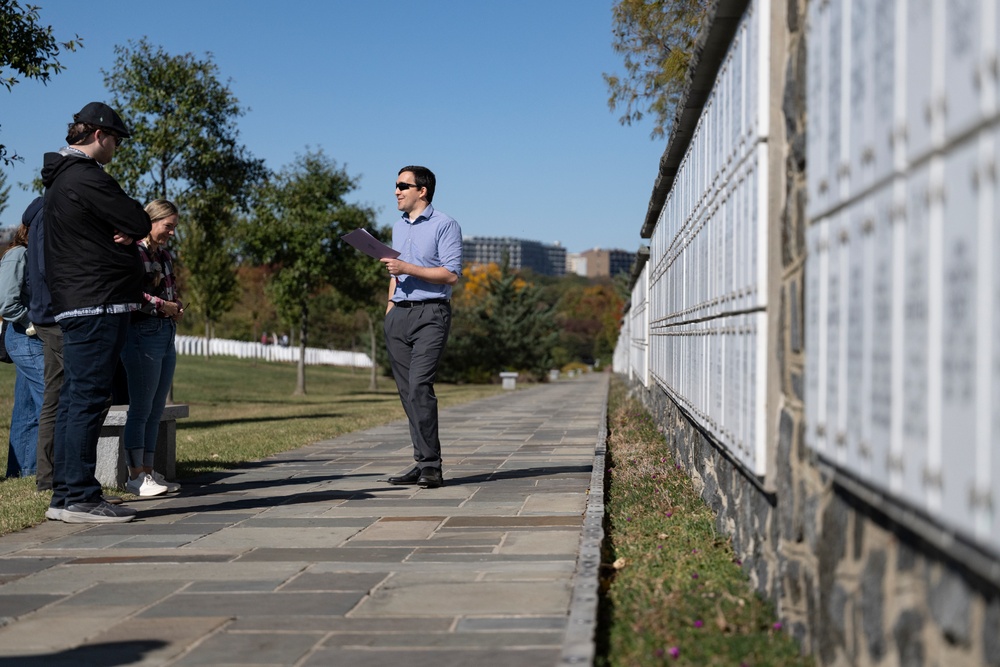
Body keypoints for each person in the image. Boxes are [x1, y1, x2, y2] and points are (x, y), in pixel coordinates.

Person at [40, 101, 151, 523]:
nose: (118, 148)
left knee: (75, 398)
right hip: (97, 299)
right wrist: (127, 225)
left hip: (81, 300)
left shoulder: (61, 179)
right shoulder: (87, 177)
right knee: (88, 398)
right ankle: (82, 497)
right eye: (117, 140)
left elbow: (130, 224)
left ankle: (66, 495)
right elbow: (138, 220)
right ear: (99, 135)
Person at [382, 166, 462, 489]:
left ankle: (432, 466)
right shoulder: (397, 228)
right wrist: (389, 310)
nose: (397, 191)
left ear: (422, 191)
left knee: (419, 386)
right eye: (396, 185)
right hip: (398, 315)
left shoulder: (445, 225)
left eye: (403, 185)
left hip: (431, 314)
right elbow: (394, 275)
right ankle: (421, 460)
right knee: (406, 393)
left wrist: (406, 268)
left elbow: (451, 274)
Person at [121, 200, 183, 497]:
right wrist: (163, 305)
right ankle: (135, 475)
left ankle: (148, 471)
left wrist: (176, 306)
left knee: (156, 407)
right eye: (167, 226)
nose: (171, 232)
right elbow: (130, 293)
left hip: (165, 332)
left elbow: (171, 292)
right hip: (141, 334)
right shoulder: (133, 252)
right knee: (141, 407)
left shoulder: (166, 256)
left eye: (174, 227)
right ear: (151, 221)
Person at [0, 221, 44, 480]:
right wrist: (34, 324)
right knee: (50, 399)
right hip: (25, 337)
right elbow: (7, 304)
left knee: (27, 409)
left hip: (31, 338)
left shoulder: (32, 255)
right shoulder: (18, 254)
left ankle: (21, 472)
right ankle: (45, 471)